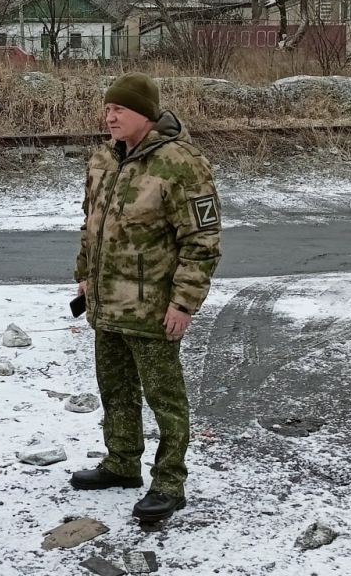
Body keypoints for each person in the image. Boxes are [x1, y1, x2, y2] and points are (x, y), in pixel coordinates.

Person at [70, 73, 221, 523]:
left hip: (154, 306)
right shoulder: (103, 159)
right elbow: (91, 226)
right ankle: (121, 464)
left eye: (119, 109)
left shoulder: (181, 163)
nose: (109, 116)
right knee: (114, 389)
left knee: (165, 398)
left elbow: (202, 240)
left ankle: (170, 482)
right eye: (107, 108)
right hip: (107, 302)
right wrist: (84, 277)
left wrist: (184, 303)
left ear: (145, 114)